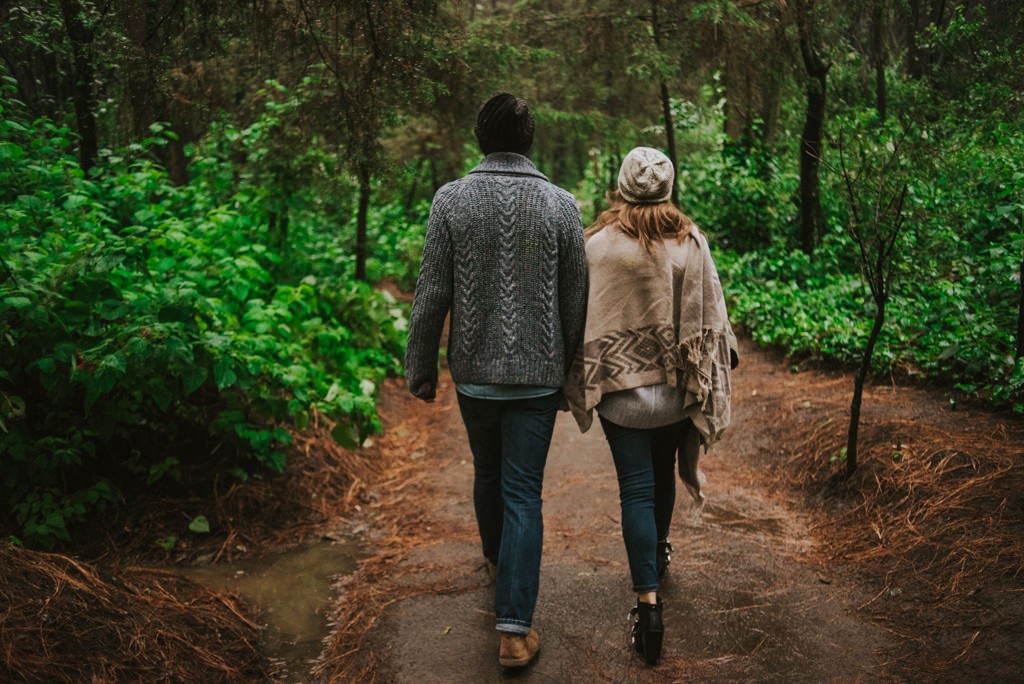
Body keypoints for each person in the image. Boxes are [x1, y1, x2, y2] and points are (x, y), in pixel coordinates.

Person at [404, 92, 588, 669]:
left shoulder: (451, 200)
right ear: (528, 139)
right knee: (521, 492)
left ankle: (495, 561)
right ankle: (514, 630)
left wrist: (421, 366)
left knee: (488, 472)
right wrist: (569, 369)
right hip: (537, 377)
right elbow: (576, 299)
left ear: (480, 137)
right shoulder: (561, 204)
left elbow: (432, 291)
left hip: (476, 375)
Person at [566, 146, 735, 666]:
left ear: (621, 185)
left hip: (621, 396)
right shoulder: (691, 243)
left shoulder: (595, 246)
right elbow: (714, 319)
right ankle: (658, 551)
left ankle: (647, 604)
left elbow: (577, 314)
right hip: (677, 393)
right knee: (661, 475)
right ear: (667, 187)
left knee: (635, 489)